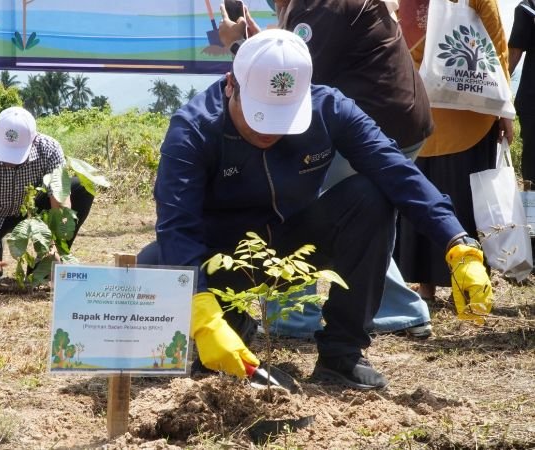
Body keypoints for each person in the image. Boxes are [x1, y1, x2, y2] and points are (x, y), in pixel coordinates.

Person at [138, 29, 493, 390]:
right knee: (155, 264)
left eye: (282, 118)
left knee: (370, 195)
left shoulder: (330, 109)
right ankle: (228, 322)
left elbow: (396, 171)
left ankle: (342, 355)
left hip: (297, 247)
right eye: (259, 115)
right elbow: (177, 225)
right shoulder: (194, 129)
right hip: (225, 258)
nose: (270, 134)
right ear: (231, 84)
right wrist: (202, 317)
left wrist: (457, 241)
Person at [216, 0, 434, 339]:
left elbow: (288, 83)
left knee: (309, 208)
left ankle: (294, 318)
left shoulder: (320, 7)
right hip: (400, 118)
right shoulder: (314, 6)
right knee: (362, 213)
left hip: (371, 124)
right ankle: (400, 310)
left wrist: (235, 44)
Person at [396, 0, 514, 301]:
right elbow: (496, 45)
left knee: (421, 196)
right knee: (464, 201)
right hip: (470, 110)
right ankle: (469, 284)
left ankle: (425, 287)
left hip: (418, 112)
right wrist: (505, 112)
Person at [0, 106, 94, 282]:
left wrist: (54, 246)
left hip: (32, 211)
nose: (9, 163)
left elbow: (60, 202)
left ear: (34, 140)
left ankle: (41, 267)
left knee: (80, 188)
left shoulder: (49, 149)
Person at [509, 0, 535, 185]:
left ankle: (530, 211)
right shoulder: (528, 8)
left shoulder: (529, 6)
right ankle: (531, 210)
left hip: (532, 100)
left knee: (532, 163)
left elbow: (513, 56)